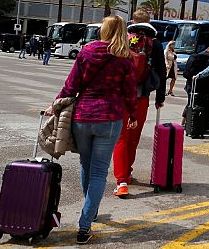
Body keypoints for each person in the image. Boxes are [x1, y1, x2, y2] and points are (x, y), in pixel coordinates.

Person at [49, 15, 137, 245]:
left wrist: (55, 105)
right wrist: (133, 114)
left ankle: (91, 210)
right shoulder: (124, 57)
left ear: (103, 30)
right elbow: (129, 91)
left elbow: (71, 85)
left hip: (83, 116)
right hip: (109, 117)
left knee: (86, 166)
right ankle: (85, 223)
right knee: (99, 172)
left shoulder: (86, 52)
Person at [112, 10, 167, 198]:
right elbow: (161, 72)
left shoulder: (123, 40)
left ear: (133, 22)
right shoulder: (156, 44)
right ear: (149, 22)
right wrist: (160, 98)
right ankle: (128, 171)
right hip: (142, 97)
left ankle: (122, 182)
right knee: (134, 138)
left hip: (120, 97)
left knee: (121, 138)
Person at [182, 46, 209, 130]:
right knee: (204, 105)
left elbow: (186, 73)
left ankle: (184, 122)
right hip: (204, 87)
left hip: (191, 85)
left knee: (191, 103)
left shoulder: (194, 57)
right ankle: (201, 124)